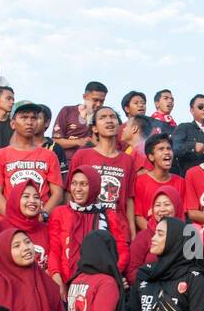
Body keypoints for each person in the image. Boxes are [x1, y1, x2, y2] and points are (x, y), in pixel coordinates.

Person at [47, 167, 128, 285]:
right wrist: (57, 279)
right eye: (74, 183)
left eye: (84, 184)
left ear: (95, 186)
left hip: (99, 285)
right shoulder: (60, 213)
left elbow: (122, 251)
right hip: (65, 283)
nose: (77, 189)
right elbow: (54, 250)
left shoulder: (108, 215)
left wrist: (111, 276)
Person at [68, 105, 139, 235]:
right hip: (87, 228)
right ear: (94, 128)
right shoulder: (82, 155)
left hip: (119, 231)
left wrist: (132, 233)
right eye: (103, 117)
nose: (109, 120)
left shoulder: (127, 160)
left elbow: (129, 199)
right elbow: (69, 194)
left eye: (113, 117)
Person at [0, 100, 64, 212]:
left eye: (34, 118)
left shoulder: (49, 156)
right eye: (24, 117)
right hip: (10, 224)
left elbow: (57, 194)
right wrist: (12, 218)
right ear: (13, 124)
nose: (29, 122)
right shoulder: (0, 155)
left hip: (39, 223)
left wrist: (43, 215)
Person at [52, 81, 107, 154]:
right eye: (95, 100)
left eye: (102, 101)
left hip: (92, 162)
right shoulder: (67, 111)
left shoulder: (103, 118)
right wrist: (78, 142)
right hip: (67, 162)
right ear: (84, 97)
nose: (98, 104)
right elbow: (55, 141)